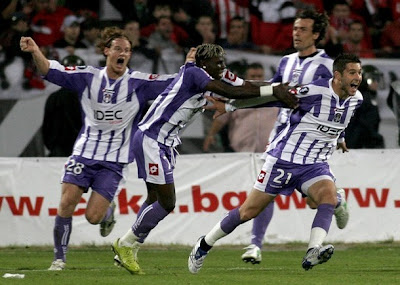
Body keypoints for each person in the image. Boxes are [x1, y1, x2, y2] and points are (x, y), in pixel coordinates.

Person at [111, 43, 299, 275]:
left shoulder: (212, 73)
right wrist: (273, 91)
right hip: (152, 140)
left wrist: (276, 88)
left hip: (164, 143)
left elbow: (245, 85)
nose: (222, 67)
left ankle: (130, 246)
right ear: (203, 62)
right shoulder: (193, 73)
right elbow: (231, 92)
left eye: (223, 62)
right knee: (167, 203)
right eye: (217, 63)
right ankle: (126, 244)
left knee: (154, 197)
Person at [20, 26, 186, 271]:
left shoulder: (138, 83)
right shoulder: (88, 77)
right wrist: (35, 50)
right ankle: (58, 260)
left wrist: (189, 66)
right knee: (66, 202)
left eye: (127, 50)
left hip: (115, 161)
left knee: (92, 217)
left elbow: (174, 84)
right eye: (118, 48)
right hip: (84, 153)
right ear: (107, 51)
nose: (123, 53)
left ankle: (108, 211)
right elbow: (50, 70)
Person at [188, 53, 363, 273]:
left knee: (328, 197)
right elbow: (274, 97)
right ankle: (203, 245)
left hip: (315, 165)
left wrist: (340, 138)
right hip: (284, 160)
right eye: (352, 72)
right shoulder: (314, 91)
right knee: (247, 212)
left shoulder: (357, 99)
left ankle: (313, 250)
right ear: (338, 76)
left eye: (359, 72)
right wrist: (230, 107)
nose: (358, 77)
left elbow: (340, 119)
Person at [240, 9, 349, 265]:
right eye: (295, 28)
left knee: (314, 201)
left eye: (302, 29)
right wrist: (236, 97)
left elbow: (337, 101)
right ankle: (255, 245)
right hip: (281, 136)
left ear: (317, 34)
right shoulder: (286, 61)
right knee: (266, 190)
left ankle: (336, 198)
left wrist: (340, 134)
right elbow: (273, 91)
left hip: (311, 140)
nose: (296, 33)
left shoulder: (326, 66)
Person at [203, 62, 278, 153]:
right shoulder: (234, 95)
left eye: (259, 76)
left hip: (269, 151)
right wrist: (211, 135)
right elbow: (221, 119)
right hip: (240, 151)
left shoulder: (274, 96)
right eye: (253, 76)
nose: (256, 79)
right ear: (246, 78)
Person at [41, 55, 84, 157]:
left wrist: (54, 146)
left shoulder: (54, 98)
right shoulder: (90, 98)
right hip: (84, 152)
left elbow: (47, 130)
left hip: (59, 152)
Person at [345, 65, 385, 148]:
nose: (376, 83)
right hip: (358, 146)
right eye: (372, 80)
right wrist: (375, 140)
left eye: (377, 80)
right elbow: (361, 126)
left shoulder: (362, 97)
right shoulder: (362, 99)